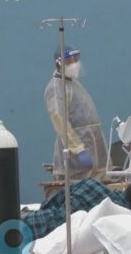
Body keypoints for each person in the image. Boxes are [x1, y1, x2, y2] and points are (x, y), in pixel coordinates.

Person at [23, 175, 131, 239]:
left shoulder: (91, 184)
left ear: (129, 187)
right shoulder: (127, 224)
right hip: (40, 233)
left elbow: (52, 201)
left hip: (32, 223)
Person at [45, 46, 108, 181]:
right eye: (69, 61)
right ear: (58, 64)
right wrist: (78, 149)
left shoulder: (74, 84)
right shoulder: (56, 88)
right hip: (75, 158)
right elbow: (60, 121)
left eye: (76, 60)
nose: (75, 64)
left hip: (93, 151)